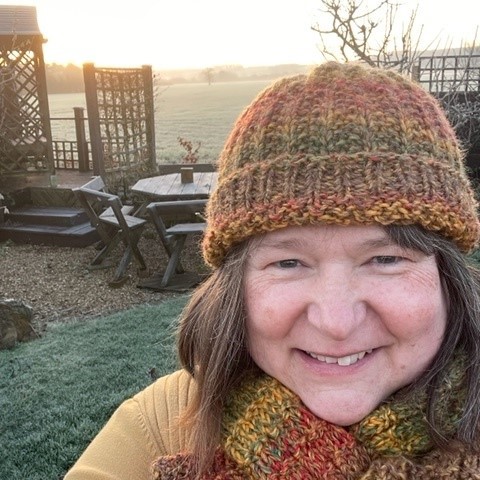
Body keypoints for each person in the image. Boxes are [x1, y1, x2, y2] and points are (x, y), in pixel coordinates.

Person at [65, 61, 480, 479]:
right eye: (288, 262)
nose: (336, 323)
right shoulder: (162, 424)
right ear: (236, 285)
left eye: (386, 259)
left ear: (447, 277)